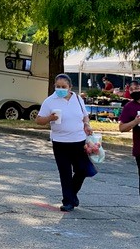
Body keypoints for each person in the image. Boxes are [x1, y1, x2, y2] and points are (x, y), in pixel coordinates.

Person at [36, 73, 93, 212]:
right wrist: (50, 117)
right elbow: (39, 120)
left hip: (79, 140)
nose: (60, 89)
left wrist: (87, 124)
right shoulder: (50, 101)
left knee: (82, 170)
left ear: (70, 87)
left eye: (63, 86)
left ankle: (72, 194)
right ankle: (68, 201)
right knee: (65, 172)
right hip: (60, 142)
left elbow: (85, 116)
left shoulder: (78, 99)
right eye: (57, 86)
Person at [118, 79, 140, 197]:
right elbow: (122, 128)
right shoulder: (129, 106)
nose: (134, 91)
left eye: (137, 88)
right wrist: (135, 121)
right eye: (131, 89)